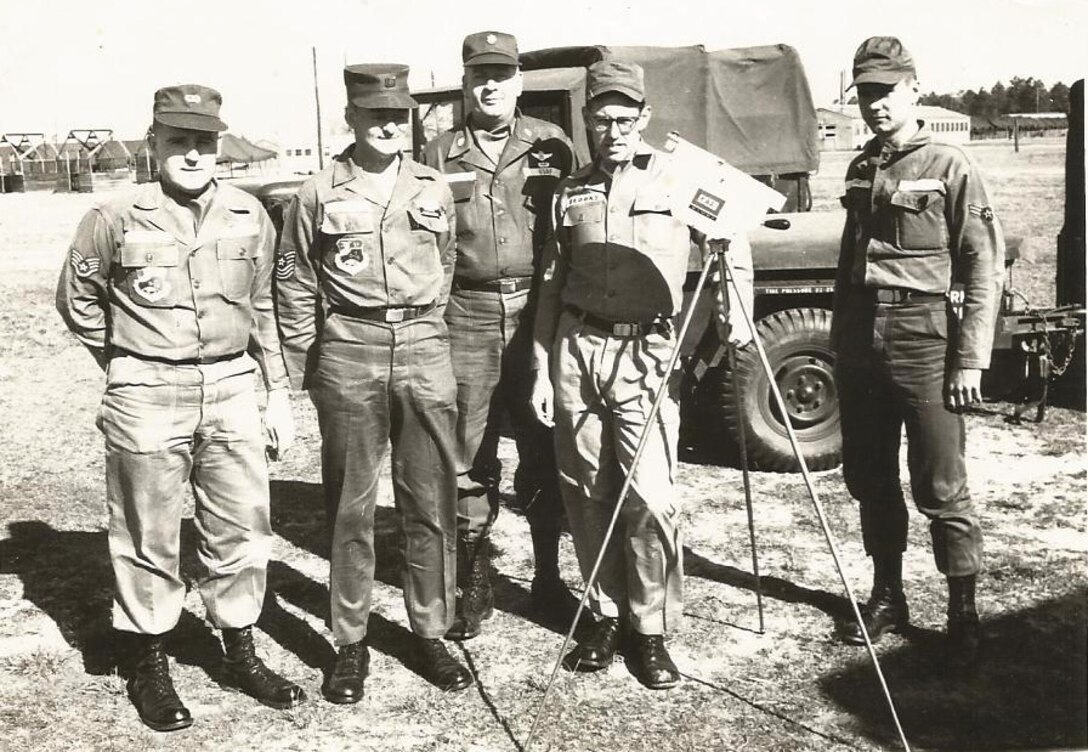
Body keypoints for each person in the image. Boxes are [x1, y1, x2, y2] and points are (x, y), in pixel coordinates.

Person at [56, 84, 306, 732]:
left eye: (204, 141)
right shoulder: (114, 217)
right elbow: (77, 300)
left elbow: (267, 310)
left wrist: (277, 390)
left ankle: (240, 650)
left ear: (218, 144)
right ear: (154, 142)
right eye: (178, 140)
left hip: (230, 387)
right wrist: (122, 366)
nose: (192, 153)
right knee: (147, 532)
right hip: (147, 392)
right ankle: (150, 660)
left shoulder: (250, 214)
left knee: (243, 528)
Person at [530, 60, 754, 689]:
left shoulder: (680, 179)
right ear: (587, 121)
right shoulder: (568, 189)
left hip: (649, 354)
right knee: (585, 488)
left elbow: (731, 242)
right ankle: (603, 615)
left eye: (627, 118)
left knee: (651, 497)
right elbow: (551, 283)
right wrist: (545, 369)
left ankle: (649, 629)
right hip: (578, 351)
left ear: (645, 118)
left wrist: (737, 310)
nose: (614, 129)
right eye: (602, 118)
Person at [275, 63, 472, 704]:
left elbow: (444, 267)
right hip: (349, 350)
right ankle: (350, 640)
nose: (389, 124)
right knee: (350, 507)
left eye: (398, 114)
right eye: (375, 114)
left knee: (430, 500)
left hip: (422, 345)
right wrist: (311, 366)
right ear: (351, 118)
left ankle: (430, 630)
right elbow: (297, 280)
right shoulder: (318, 192)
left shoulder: (434, 188)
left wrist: (424, 331)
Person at [830, 37, 1005, 667]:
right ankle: (888, 595)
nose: (874, 104)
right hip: (860, 343)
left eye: (885, 91)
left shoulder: (951, 164)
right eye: (865, 94)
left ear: (914, 89)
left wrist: (970, 359)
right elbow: (849, 265)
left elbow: (983, 265)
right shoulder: (859, 167)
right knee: (871, 477)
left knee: (940, 483)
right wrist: (840, 346)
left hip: (925, 339)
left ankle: (962, 610)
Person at [420, 30, 578, 641]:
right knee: (468, 452)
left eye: (502, 74)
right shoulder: (437, 154)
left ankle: (547, 577)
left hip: (538, 313)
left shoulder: (552, 146)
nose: (490, 85)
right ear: (464, 81)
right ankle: (474, 578)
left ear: (519, 80)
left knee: (545, 445)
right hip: (467, 315)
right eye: (480, 74)